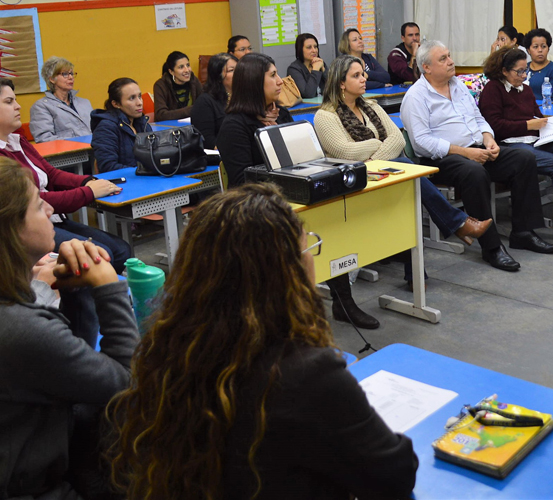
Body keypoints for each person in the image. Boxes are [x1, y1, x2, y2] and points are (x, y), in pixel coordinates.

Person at [107, 183, 418, 499]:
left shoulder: (170, 351)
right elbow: (394, 476)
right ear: (286, 270)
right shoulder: (307, 374)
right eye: (307, 246)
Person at [0, 157, 139, 500]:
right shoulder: (21, 329)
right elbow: (126, 380)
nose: (49, 207)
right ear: (11, 230)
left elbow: (63, 369)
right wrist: (107, 284)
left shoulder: (17, 309)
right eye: (37, 204)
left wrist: (56, 288)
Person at [313, 55, 492, 276]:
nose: (364, 79)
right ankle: (454, 227)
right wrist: (377, 146)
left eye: (363, 74)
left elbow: (397, 139)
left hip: (379, 173)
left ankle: (417, 272)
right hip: (352, 181)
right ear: (341, 83)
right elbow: (346, 152)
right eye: (356, 75)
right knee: (407, 170)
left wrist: (371, 158)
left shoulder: (371, 106)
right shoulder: (325, 116)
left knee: (408, 185)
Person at [401, 40, 553, 272]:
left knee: (523, 159)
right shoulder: (416, 97)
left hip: (477, 148)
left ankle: (523, 232)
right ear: (426, 67)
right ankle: (491, 247)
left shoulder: (458, 86)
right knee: (473, 172)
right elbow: (422, 143)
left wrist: (488, 138)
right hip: (444, 159)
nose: (451, 61)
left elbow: (478, 117)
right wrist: (466, 152)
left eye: (449, 55)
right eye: (443, 59)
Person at [0, 78, 131, 272]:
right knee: (102, 256)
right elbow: (35, 200)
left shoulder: (18, 141)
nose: (18, 106)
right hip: (26, 230)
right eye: (9, 102)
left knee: (122, 251)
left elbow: (51, 174)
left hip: (54, 218)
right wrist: (89, 192)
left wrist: (90, 181)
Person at [480, 48, 553, 243]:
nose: (524, 75)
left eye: (525, 70)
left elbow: (538, 119)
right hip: (509, 145)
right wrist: (527, 125)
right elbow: (493, 127)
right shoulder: (493, 89)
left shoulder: (524, 90)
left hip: (532, 140)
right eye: (519, 72)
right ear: (504, 71)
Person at [217, 53, 293, 188]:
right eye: (272, 75)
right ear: (254, 82)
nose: (280, 81)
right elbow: (243, 182)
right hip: (255, 203)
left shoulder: (282, 114)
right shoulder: (234, 126)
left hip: (291, 190)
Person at [90, 77, 152, 172]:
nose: (139, 103)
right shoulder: (106, 128)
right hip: (122, 183)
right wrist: (144, 171)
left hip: (145, 178)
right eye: (132, 98)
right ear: (116, 104)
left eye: (139, 96)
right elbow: (108, 166)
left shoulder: (143, 124)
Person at [29, 56, 93, 142]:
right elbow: (44, 139)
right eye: (65, 74)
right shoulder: (41, 107)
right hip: (69, 154)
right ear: (52, 79)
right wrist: (80, 142)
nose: (71, 77)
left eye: (71, 73)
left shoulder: (84, 103)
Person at [193, 53, 236, 149]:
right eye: (232, 70)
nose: (239, 73)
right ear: (218, 76)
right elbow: (206, 140)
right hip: (221, 155)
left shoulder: (245, 96)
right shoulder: (205, 101)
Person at [152, 51, 203, 121]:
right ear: (171, 71)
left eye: (188, 65)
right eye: (181, 67)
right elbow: (161, 115)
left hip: (193, 125)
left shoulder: (194, 81)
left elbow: (204, 104)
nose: (187, 70)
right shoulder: (160, 85)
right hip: (169, 128)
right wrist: (192, 109)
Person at [524, 28, 553, 104]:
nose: (540, 50)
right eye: (535, 47)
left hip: (546, 112)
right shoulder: (523, 69)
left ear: (548, 49)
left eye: (544, 46)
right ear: (528, 50)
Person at [287, 33, 328, 98]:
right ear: (300, 49)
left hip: (325, 105)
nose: (314, 50)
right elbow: (308, 94)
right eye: (309, 48)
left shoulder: (320, 63)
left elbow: (334, 89)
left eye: (315, 47)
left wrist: (323, 70)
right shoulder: (294, 69)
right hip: (307, 107)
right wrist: (315, 70)